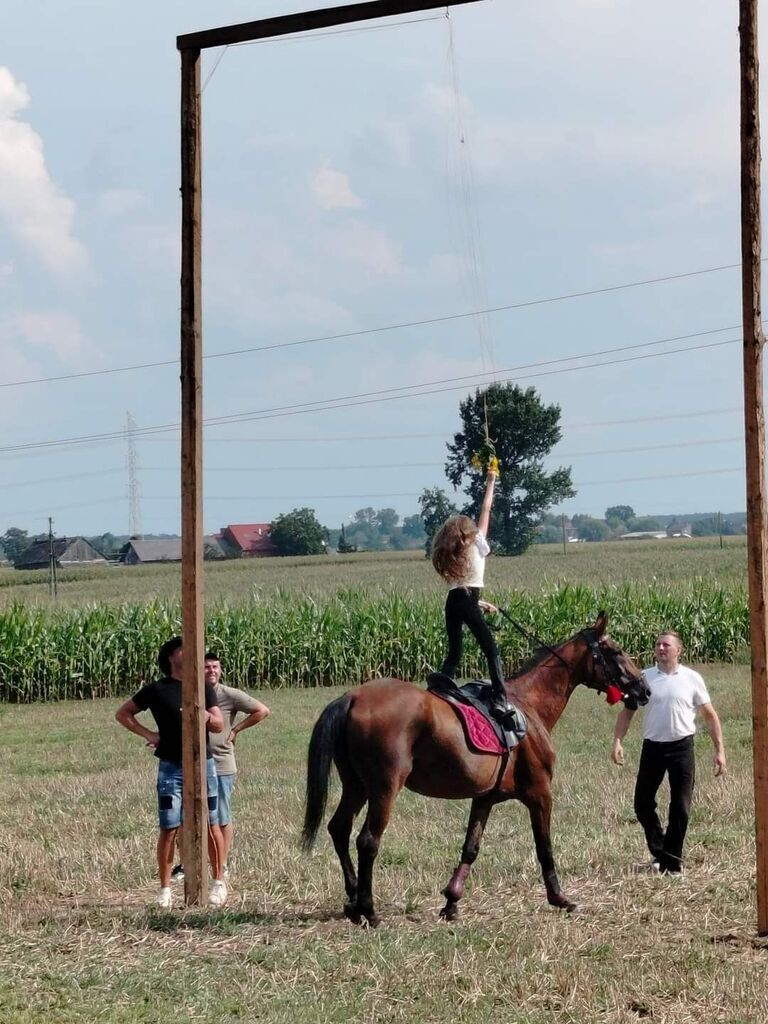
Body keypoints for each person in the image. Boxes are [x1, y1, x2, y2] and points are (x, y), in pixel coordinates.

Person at [115, 636, 229, 909]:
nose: (190, 653)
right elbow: (123, 713)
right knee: (169, 827)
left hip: (204, 763)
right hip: (170, 766)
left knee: (212, 822)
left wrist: (206, 717)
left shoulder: (202, 686)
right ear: (171, 658)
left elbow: (218, 724)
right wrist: (149, 734)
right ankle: (165, 890)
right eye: (184, 649)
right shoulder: (157, 689)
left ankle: (218, 882)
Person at [611, 630, 726, 874]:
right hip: (652, 748)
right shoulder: (644, 678)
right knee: (642, 804)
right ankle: (662, 851)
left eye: (666, 645)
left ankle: (672, 865)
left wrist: (720, 751)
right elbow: (627, 712)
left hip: (682, 748)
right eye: (658, 644)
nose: (661, 648)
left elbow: (710, 715)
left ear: (678, 650)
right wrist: (618, 741)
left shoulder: (692, 678)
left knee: (680, 807)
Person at [173, 653, 270, 881]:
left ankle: (221, 864)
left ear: (221, 670)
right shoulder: (190, 693)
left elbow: (262, 710)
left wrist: (235, 730)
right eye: (206, 667)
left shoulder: (228, 694)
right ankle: (186, 864)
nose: (211, 671)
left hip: (221, 763)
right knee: (186, 816)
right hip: (191, 762)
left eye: (215, 667)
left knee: (221, 816)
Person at [430, 464, 513, 725]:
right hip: (466, 601)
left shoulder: (456, 554)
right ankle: (501, 698)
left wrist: (481, 603)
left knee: (454, 652)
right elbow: (486, 508)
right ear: (470, 533)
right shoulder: (477, 544)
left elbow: (462, 589)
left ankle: (439, 691)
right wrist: (491, 481)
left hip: (455, 601)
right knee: (491, 649)